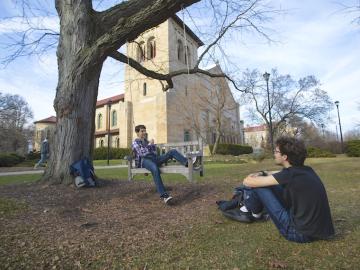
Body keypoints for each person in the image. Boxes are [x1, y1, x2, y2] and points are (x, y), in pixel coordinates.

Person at [241, 136, 335, 243]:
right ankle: (251, 208)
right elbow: (278, 173)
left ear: (284, 157)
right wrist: (262, 173)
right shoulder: (306, 171)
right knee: (270, 184)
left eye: (276, 152)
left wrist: (253, 177)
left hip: (298, 233)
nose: (274, 154)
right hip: (318, 231)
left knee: (259, 186)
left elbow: (248, 181)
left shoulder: (289, 175)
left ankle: (255, 213)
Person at [132, 124, 198, 204]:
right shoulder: (135, 142)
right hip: (145, 161)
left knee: (172, 151)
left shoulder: (146, 141)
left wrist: (151, 146)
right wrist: (151, 145)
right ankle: (165, 196)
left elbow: (154, 152)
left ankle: (187, 163)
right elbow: (143, 153)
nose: (144, 133)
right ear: (137, 132)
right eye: (142, 131)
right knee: (155, 169)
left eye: (145, 131)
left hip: (154, 159)